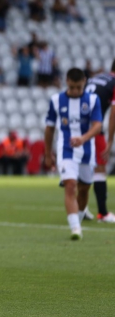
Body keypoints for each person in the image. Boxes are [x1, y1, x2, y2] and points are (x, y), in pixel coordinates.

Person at [44, 68, 102, 240]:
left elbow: (97, 125)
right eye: (72, 87)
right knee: (70, 185)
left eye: (79, 87)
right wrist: (48, 154)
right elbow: (49, 128)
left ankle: (79, 217)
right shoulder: (56, 100)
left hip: (86, 150)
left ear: (84, 81)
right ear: (66, 81)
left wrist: (83, 139)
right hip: (66, 149)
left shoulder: (92, 100)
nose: (76, 91)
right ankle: (75, 228)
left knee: (84, 189)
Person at [83, 60, 115, 222]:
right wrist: (110, 142)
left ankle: (80, 209)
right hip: (94, 128)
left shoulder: (96, 78)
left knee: (82, 168)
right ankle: (103, 213)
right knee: (100, 167)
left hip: (77, 127)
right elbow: (114, 115)